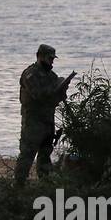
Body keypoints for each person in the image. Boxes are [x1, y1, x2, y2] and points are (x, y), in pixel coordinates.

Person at [16, 44, 75, 186]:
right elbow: (39, 95)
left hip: (48, 121)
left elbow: (56, 98)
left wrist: (62, 88)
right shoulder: (30, 74)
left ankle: (45, 185)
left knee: (45, 156)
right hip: (33, 122)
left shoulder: (51, 76)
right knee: (27, 155)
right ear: (40, 56)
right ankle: (18, 185)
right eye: (49, 58)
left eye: (53, 59)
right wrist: (55, 89)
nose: (52, 62)